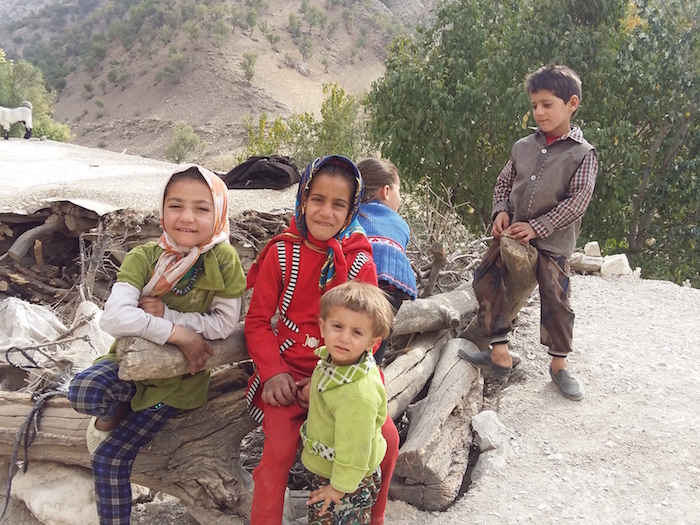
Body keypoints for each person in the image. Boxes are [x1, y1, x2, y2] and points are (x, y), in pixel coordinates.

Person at [67, 165, 247, 525]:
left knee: (110, 459)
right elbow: (114, 319)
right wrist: (179, 333)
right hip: (129, 364)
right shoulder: (145, 257)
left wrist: (168, 313)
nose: (186, 217)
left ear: (219, 213)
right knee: (83, 391)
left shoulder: (223, 260)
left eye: (201, 208)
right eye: (175, 205)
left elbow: (225, 324)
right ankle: (113, 412)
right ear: (162, 209)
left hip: (179, 383)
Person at [244, 155, 400, 525]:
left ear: (351, 212)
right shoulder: (282, 253)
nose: (325, 212)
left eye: (338, 204)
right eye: (317, 200)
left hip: (346, 374)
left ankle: (374, 517)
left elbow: (372, 330)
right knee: (279, 450)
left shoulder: (359, 259)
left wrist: (323, 378)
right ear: (302, 200)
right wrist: (273, 374)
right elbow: (258, 321)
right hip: (287, 373)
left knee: (388, 441)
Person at [459, 64, 598, 401]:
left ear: (572, 103)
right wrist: (501, 211)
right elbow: (504, 182)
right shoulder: (523, 146)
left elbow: (576, 203)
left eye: (547, 104)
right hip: (513, 240)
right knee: (486, 279)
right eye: (534, 105)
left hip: (552, 243)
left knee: (557, 300)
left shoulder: (582, 154)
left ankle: (559, 367)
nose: (539, 112)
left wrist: (537, 226)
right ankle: (499, 353)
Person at [299, 281, 394, 524]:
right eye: (337, 326)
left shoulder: (357, 395)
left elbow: (355, 448)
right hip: (331, 471)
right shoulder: (335, 363)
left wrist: (339, 487)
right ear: (322, 327)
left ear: (373, 342)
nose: (344, 338)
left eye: (357, 332)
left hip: (348, 480)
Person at [356, 158, 417, 365]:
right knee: (376, 341)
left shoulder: (349, 214)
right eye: (399, 192)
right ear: (387, 191)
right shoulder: (399, 223)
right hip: (390, 286)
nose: (399, 199)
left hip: (353, 280)